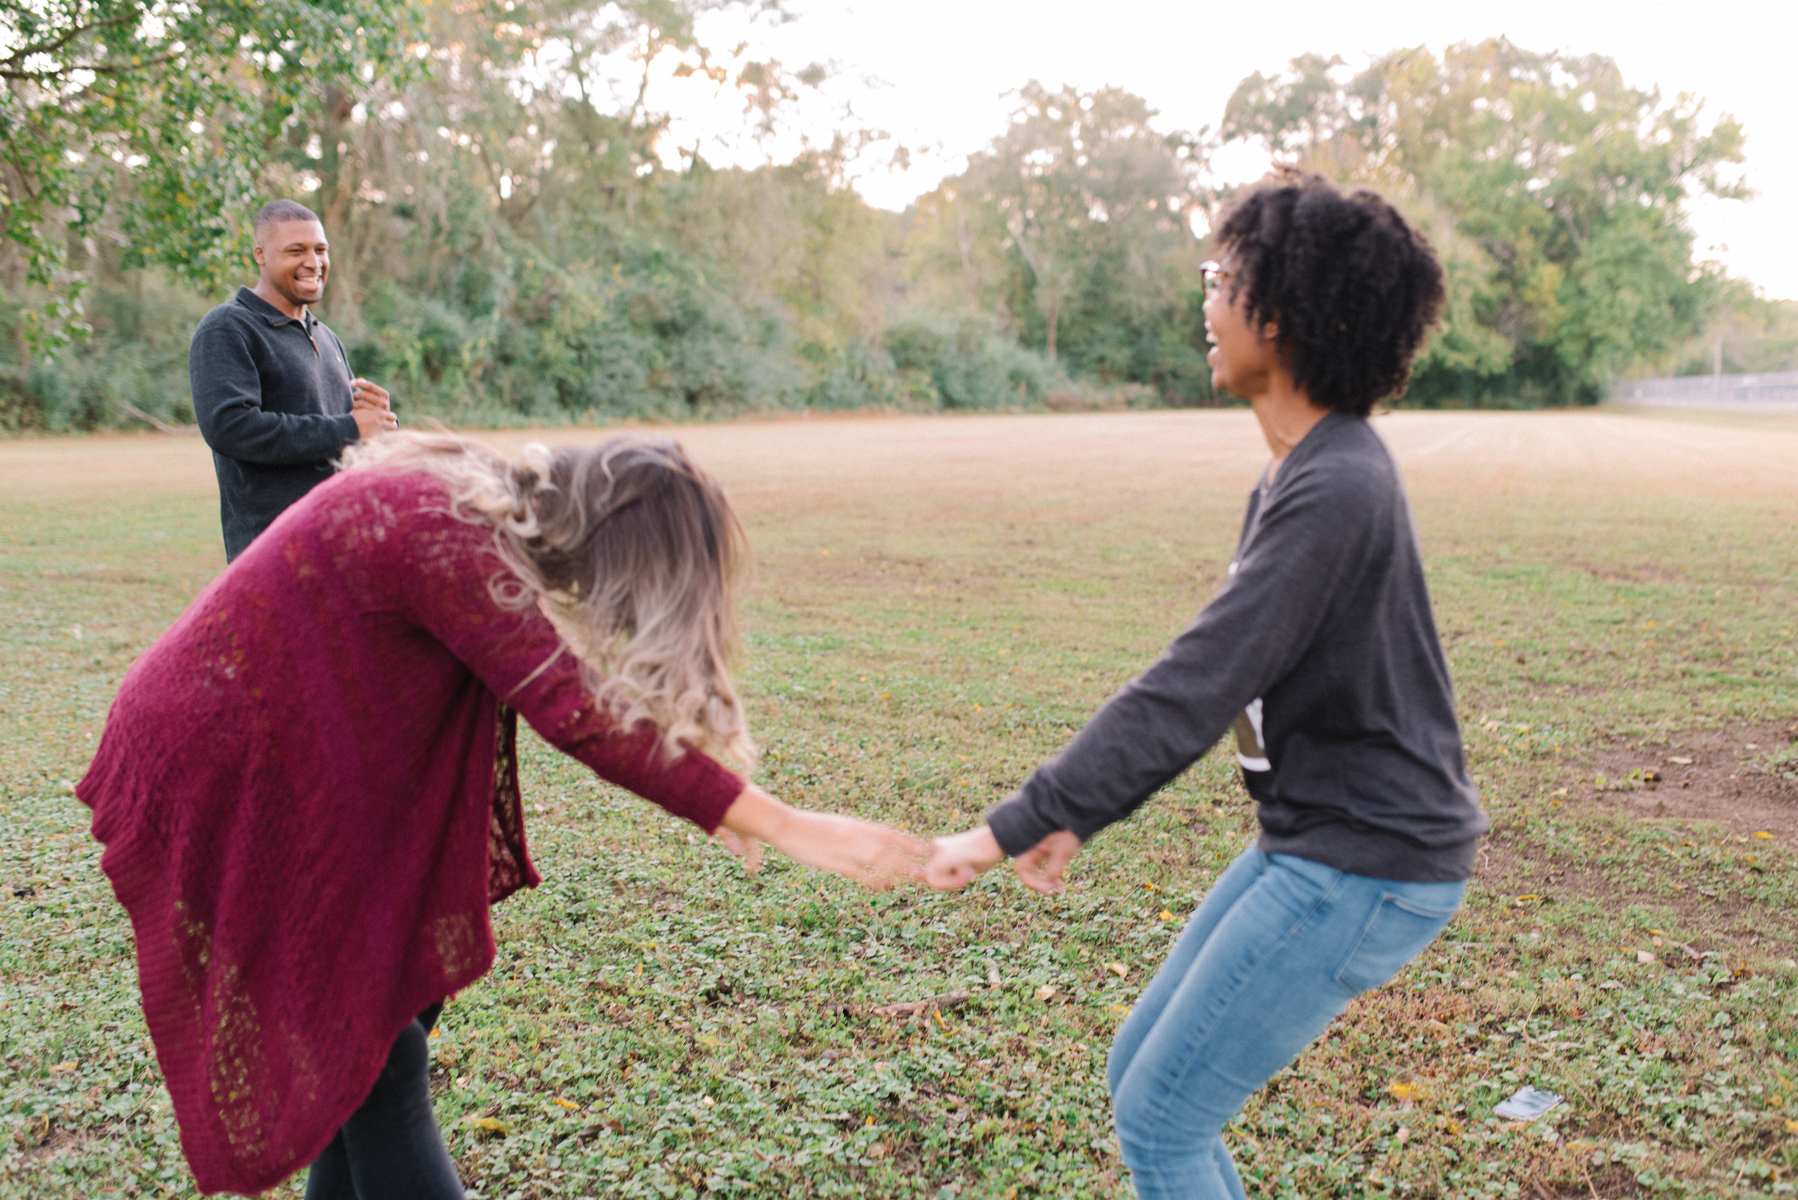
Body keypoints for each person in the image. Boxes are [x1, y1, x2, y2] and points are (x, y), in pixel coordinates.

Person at [77, 432, 924, 1198]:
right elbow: (575, 711)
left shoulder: (474, 499)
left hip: (271, 742)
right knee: (382, 1055)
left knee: (376, 1039)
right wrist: (783, 823)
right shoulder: (449, 530)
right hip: (216, 756)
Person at [923, 170, 1490, 1200]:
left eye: (1222, 276)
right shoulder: (1300, 473)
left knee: (1163, 1118)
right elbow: (1235, 685)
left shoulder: (1338, 485)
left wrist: (1020, 820)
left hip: (1367, 862)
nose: (1206, 297)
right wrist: (1080, 818)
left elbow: (1192, 683)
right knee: (1138, 1076)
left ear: (1286, 310)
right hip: (1313, 841)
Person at [190, 198, 399, 562]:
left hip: (341, 541)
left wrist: (381, 424)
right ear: (261, 254)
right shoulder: (228, 328)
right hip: (274, 553)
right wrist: (351, 428)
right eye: (295, 250)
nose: (313, 262)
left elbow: (345, 439)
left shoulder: (327, 337)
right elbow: (231, 427)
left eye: (321, 249)